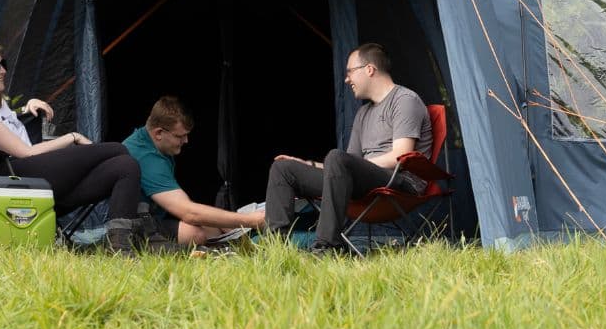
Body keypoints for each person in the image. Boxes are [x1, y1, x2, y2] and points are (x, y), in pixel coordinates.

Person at [0, 42, 157, 250]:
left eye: (3, 64)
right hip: (13, 180)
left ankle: (122, 246)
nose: (3, 70)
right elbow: (25, 152)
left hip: (31, 177)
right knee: (116, 149)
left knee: (125, 166)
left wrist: (28, 105)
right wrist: (72, 136)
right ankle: (145, 231)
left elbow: (7, 127)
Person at [264, 42, 432, 254]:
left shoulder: (405, 100)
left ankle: (327, 247)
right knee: (284, 169)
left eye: (350, 72)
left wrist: (351, 165)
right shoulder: (363, 113)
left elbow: (401, 156)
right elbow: (344, 166)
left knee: (336, 157)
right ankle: (276, 251)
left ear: (369, 69)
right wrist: (308, 164)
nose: (346, 79)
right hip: (364, 181)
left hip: (400, 181)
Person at [122, 96, 266, 247]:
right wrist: (250, 220)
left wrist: (227, 222)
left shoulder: (152, 144)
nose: (186, 141)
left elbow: (179, 203)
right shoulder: (145, 157)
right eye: (180, 136)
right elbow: (189, 213)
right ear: (158, 133)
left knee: (215, 228)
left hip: (151, 218)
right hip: (131, 225)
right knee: (194, 234)